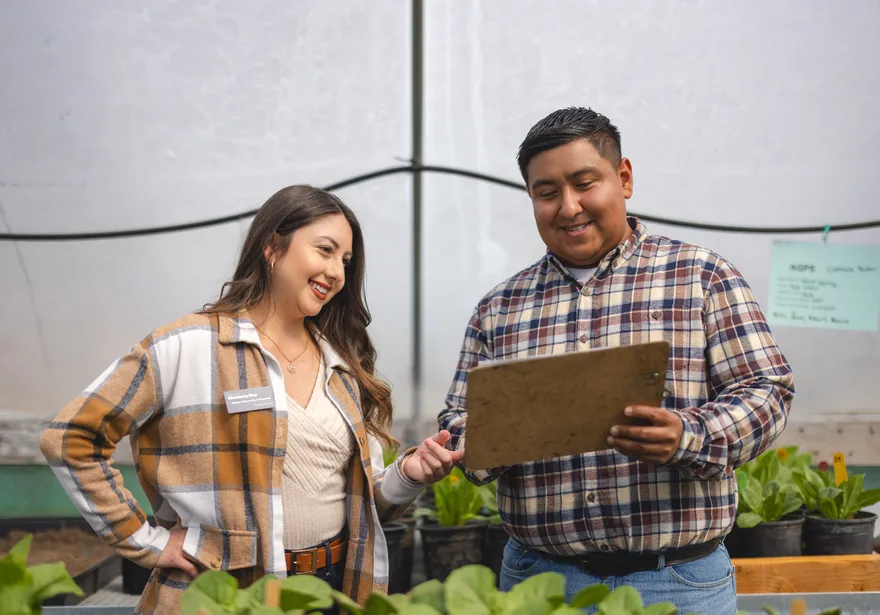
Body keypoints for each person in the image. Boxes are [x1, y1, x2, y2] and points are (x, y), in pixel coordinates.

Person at [41, 185, 461, 615]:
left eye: (346, 261)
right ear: (272, 248)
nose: (337, 272)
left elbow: (361, 504)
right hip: (224, 593)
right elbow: (72, 438)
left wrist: (409, 475)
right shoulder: (187, 347)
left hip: (334, 589)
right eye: (325, 250)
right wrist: (145, 540)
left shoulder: (341, 366)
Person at [438, 107, 794, 613]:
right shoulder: (501, 307)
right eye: (546, 193)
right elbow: (457, 421)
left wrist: (686, 435)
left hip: (677, 580)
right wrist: (482, 441)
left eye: (585, 183)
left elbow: (767, 390)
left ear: (623, 178)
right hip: (539, 582)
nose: (568, 207)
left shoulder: (700, 277)